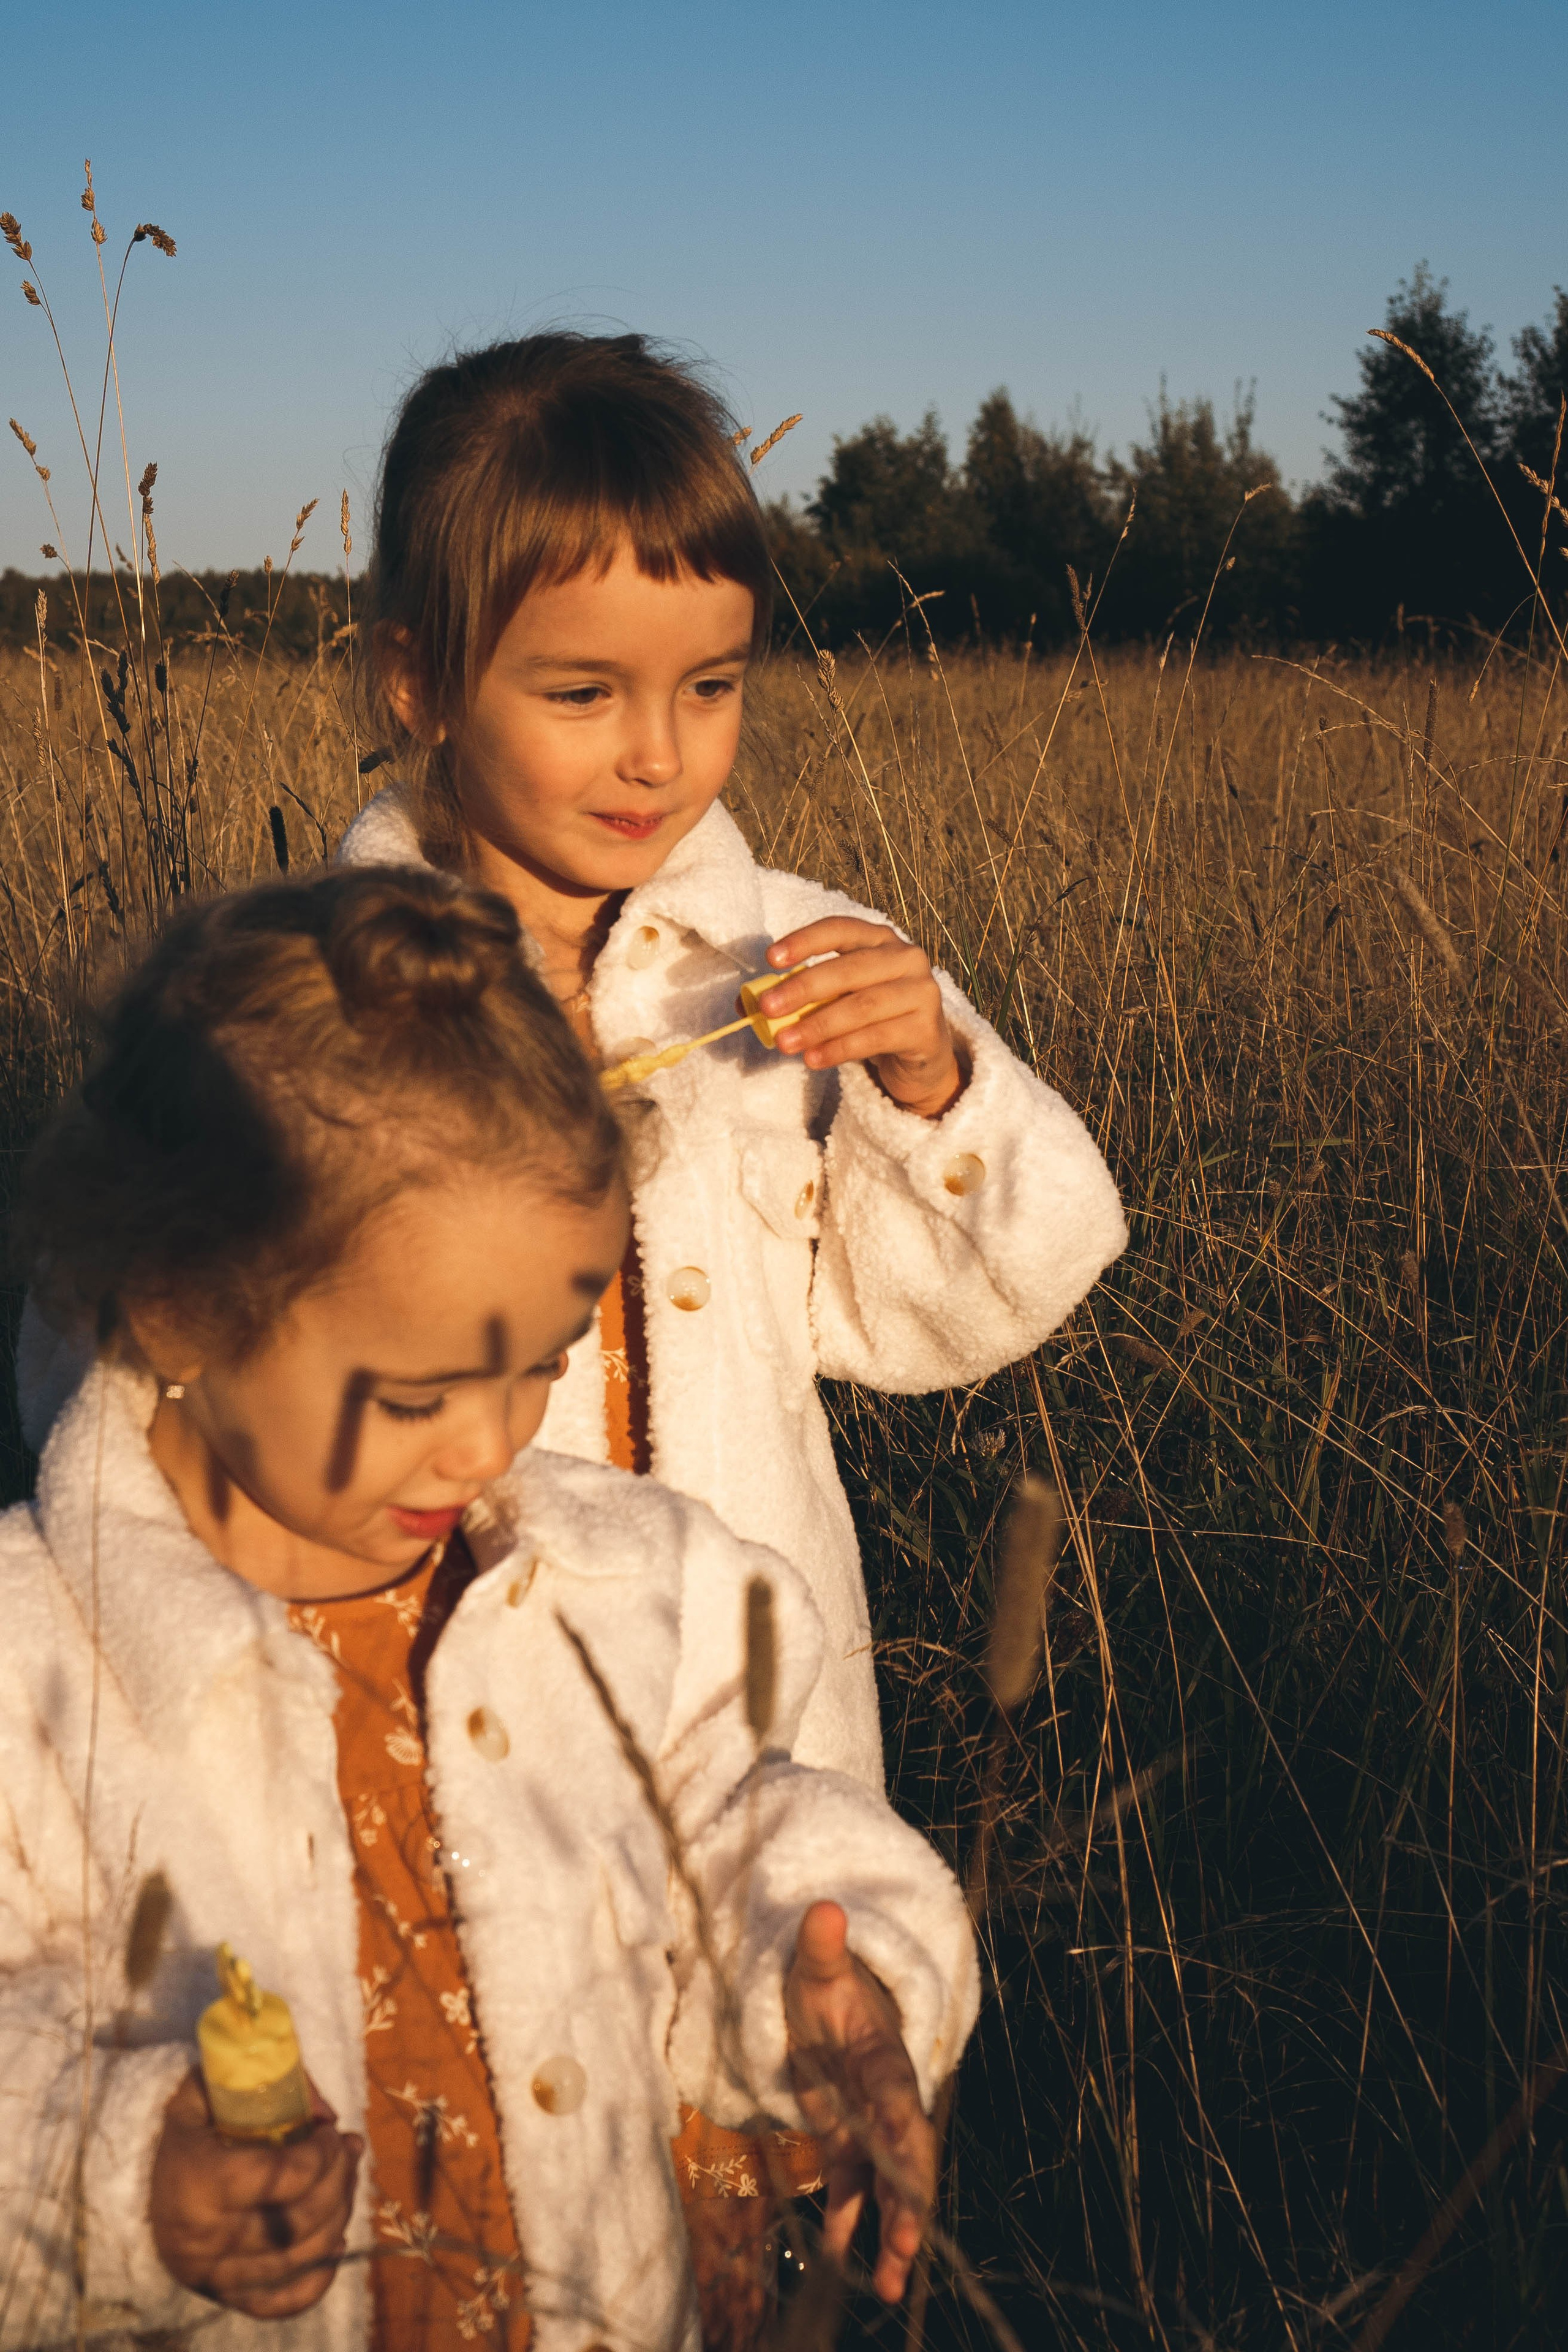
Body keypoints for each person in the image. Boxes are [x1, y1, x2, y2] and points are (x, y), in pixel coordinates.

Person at [0, 868, 978, 2352]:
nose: (488, 1446)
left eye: (538, 1362)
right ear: (182, 1302)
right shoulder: (35, 1671)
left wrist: (832, 1990)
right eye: (417, 1391)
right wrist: (129, 2171)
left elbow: (731, 1820)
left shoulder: (620, 1584)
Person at [334, 328, 1128, 1796]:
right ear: (418, 681)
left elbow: (981, 1299)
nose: (658, 753)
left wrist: (930, 1080)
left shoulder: (800, 959)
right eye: (582, 694)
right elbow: (135, 1394)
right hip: (459, 1767)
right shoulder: (300, 1008)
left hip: (769, 1748)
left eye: (710, 685)